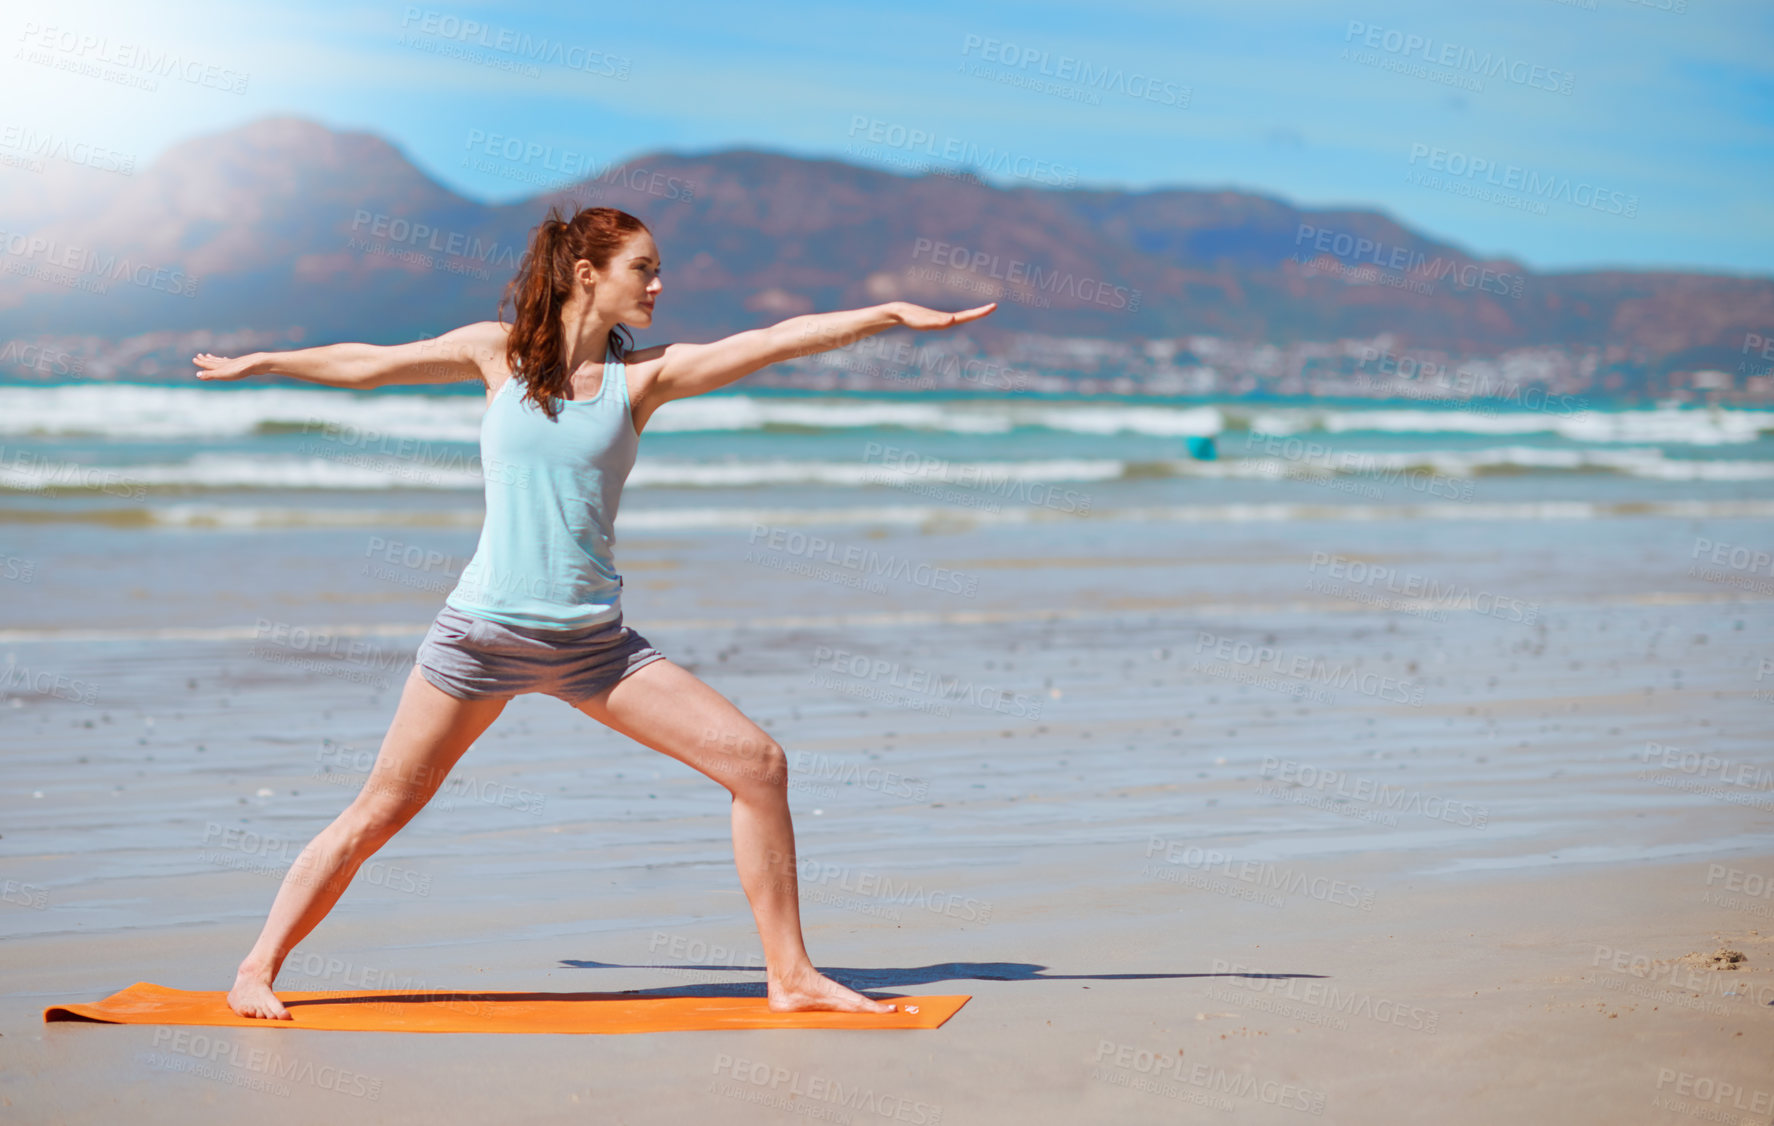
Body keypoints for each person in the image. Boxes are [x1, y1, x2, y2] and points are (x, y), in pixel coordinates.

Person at [192, 203, 994, 1019]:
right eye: (642, 268)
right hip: (478, 641)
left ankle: (789, 974)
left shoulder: (643, 379)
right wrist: (268, 362)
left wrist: (887, 313)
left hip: (594, 650)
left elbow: (775, 339)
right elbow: (369, 363)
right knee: (377, 812)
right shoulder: (493, 354)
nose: (658, 283)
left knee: (757, 765)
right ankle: (256, 968)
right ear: (588, 276)